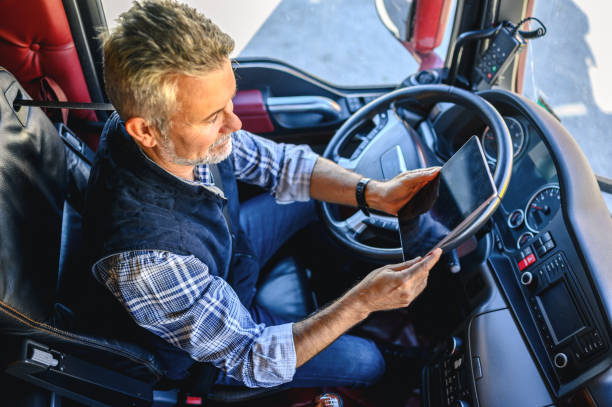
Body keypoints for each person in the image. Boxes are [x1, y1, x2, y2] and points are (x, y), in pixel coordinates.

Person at [83, 0, 442, 391]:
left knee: (321, 195)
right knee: (368, 362)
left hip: (227, 253)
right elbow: (250, 355)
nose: (234, 123)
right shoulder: (145, 263)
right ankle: (403, 371)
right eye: (212, 117)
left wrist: (374, 193)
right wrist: (362, 302)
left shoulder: (169, 135)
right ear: (145, 131)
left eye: (229, 102)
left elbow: (282, 166)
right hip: (215, 348)